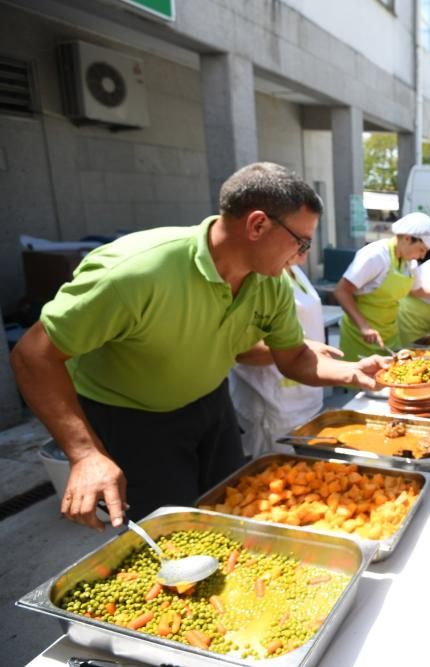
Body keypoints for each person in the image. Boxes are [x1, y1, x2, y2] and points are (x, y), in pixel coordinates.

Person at [9, 162, 386, 529]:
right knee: (172, 533)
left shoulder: (269, 282)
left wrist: (353, 372)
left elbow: (293, 357)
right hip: (132, 420)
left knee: (232, 507)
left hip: (211, 407)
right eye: (301, 240)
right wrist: (85, 453)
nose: (303, 253)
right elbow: (32, 355)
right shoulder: (136, 272)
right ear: (257, 224)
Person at [228, 250, 333, 459]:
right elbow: (241, 351)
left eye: (308, 243)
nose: (304, 255)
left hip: (306, 396)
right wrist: (298, 348)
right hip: (273, 399)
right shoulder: (255, 279)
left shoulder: (294, 270)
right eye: (300, 242)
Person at [334, 213, 430, 361]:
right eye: (421, 249)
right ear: (407, 238)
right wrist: (364, 326)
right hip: (360, 336)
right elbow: (342, 291)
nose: (422, 256)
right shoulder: (375, 256)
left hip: (388, 334)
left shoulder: (410, 264)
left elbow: (418, 291)